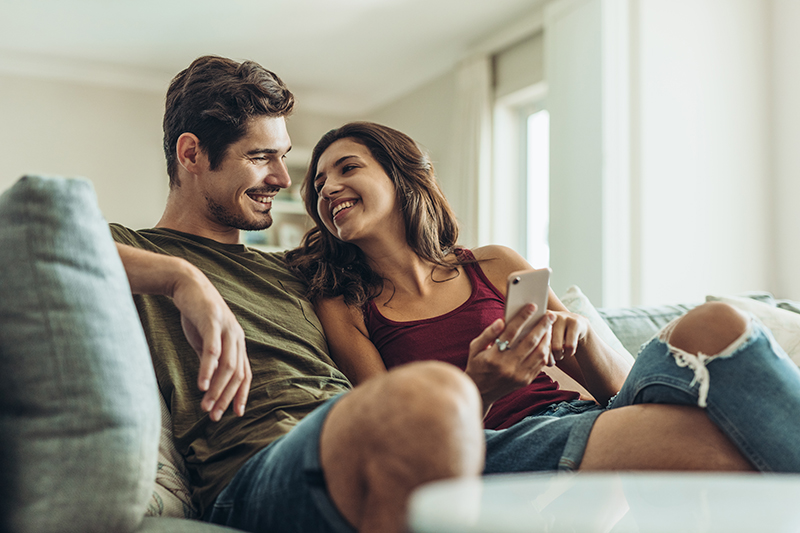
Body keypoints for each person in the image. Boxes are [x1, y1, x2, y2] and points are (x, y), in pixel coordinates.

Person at [113, 57, 797, 533]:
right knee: (433, 396)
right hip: (257, 467)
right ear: (192, 153)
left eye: (290, 160)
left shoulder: (304, 271)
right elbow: (20, 238)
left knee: (718, 365)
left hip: (396, 433)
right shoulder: (137, 250)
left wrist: (573, 344)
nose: (290, 184)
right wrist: (182, 277)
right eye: (265, 158)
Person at [285, 120, 800, 478]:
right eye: (319, 182)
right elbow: (402, 439)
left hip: (579, 413)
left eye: (347, 168)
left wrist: (578, 337)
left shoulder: (493, 264)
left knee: (716, 322)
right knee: (711, 435)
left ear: (400, 177)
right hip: (492, 444)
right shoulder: (344, 303)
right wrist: (478, 387)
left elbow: (617, 391)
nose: (327, 187)